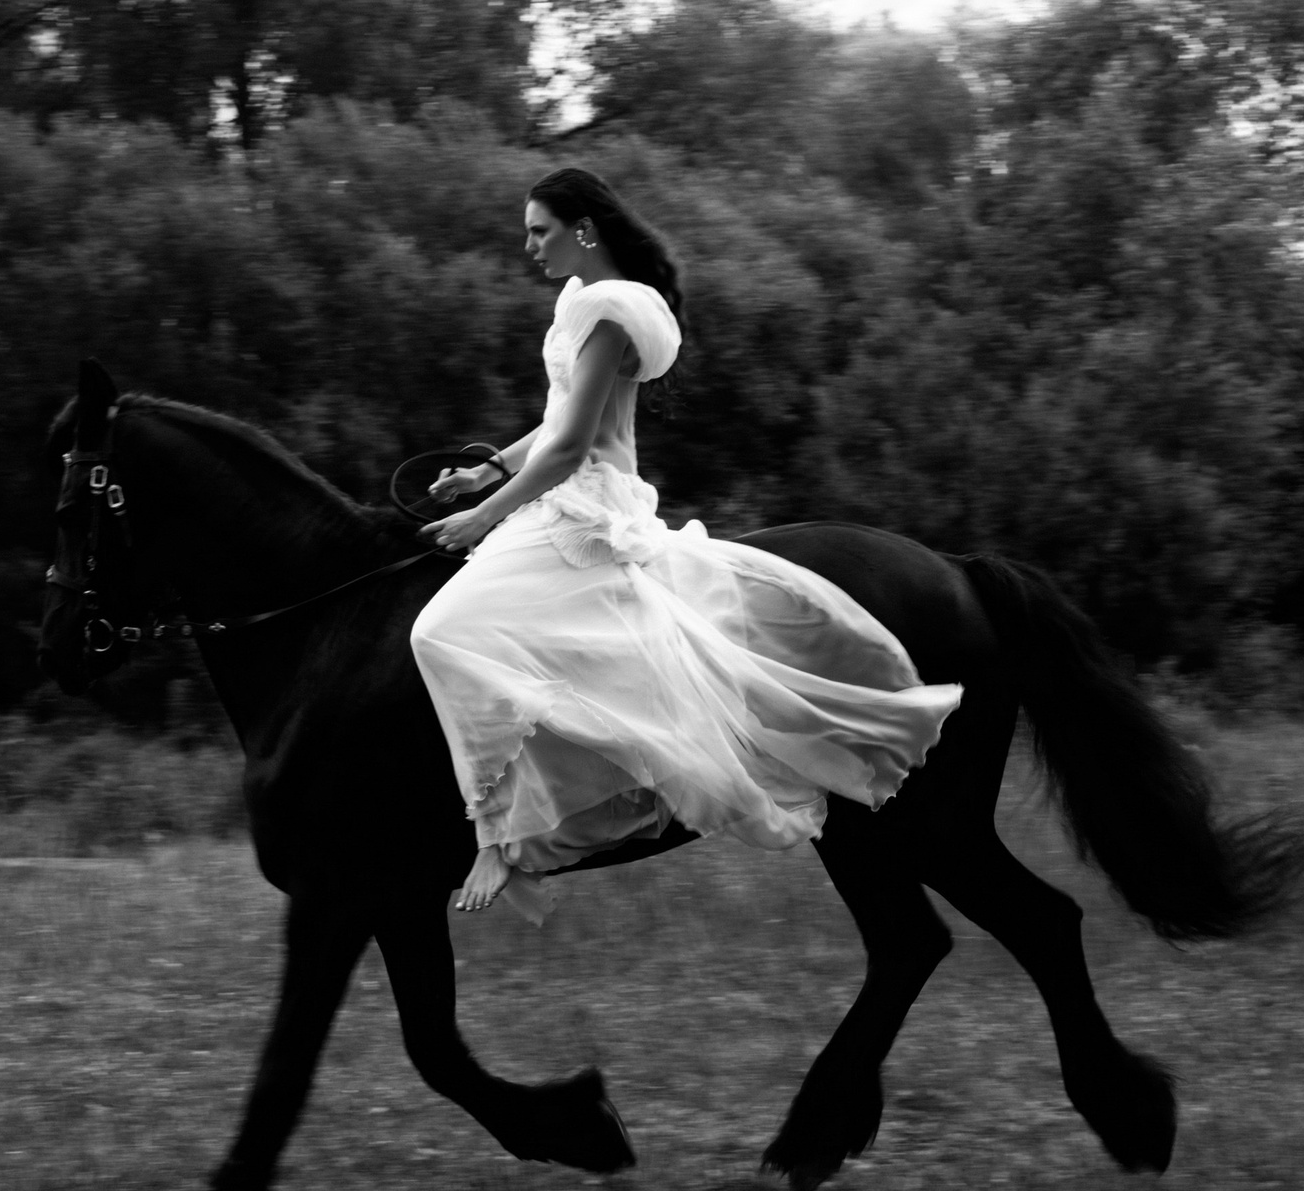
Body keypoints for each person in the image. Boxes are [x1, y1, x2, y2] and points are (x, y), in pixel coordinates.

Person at [412, 166, 962, 916]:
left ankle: (502, 835)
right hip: (558, 501)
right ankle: (520, 820)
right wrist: (487, 472)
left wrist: (482, 517)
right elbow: (556, 420)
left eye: (540, 231)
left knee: (439, 632)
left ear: (583, 230)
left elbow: (571, 446)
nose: (530, 246)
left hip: (583, 511)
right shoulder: (579, 300)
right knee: (486, 636)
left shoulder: (610, 310)